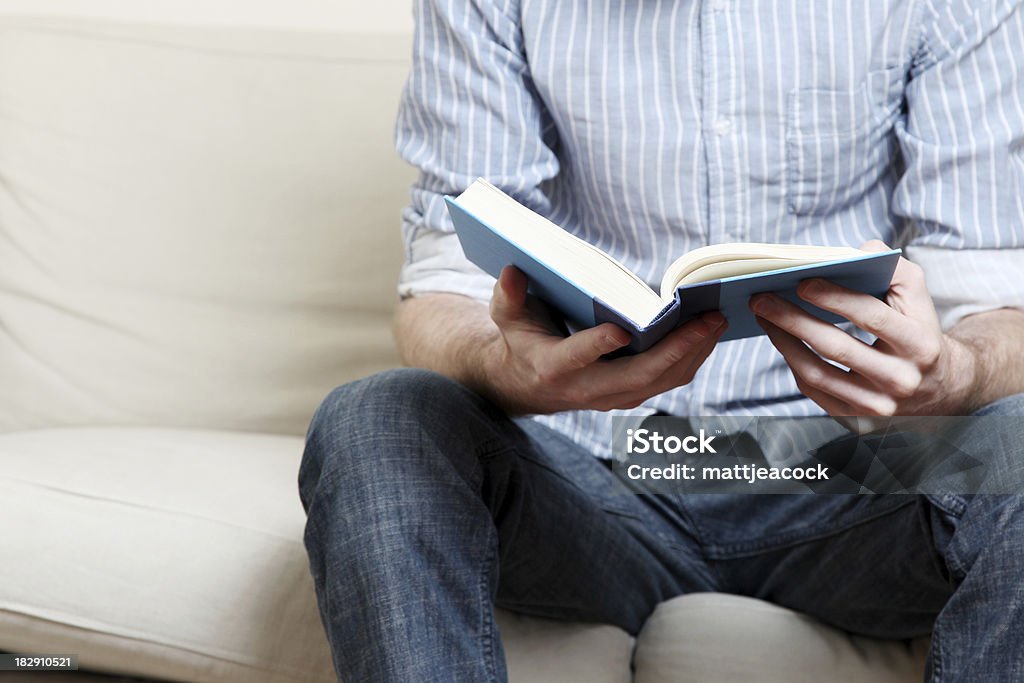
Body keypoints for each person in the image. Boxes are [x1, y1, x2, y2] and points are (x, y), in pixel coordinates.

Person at [299, 1, 1024, 681]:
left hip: (841, 476)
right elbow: (441, 291)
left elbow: (1001, 304)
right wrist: (509, 367)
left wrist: (953, 374)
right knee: (376, 416)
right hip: (590, 479)